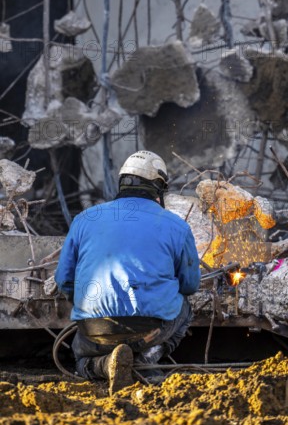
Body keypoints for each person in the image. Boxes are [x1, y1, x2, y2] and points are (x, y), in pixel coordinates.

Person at [55, 150, 200, 393]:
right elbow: (189, 286)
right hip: (149, 330)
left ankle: (106, 365)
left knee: (81, 360)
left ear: (122, 181)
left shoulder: (85, 218)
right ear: (158, 187)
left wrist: (90, 305)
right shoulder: (177, 225)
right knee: (184, 309)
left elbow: (64, 280)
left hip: (95, 329)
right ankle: (146, 360)